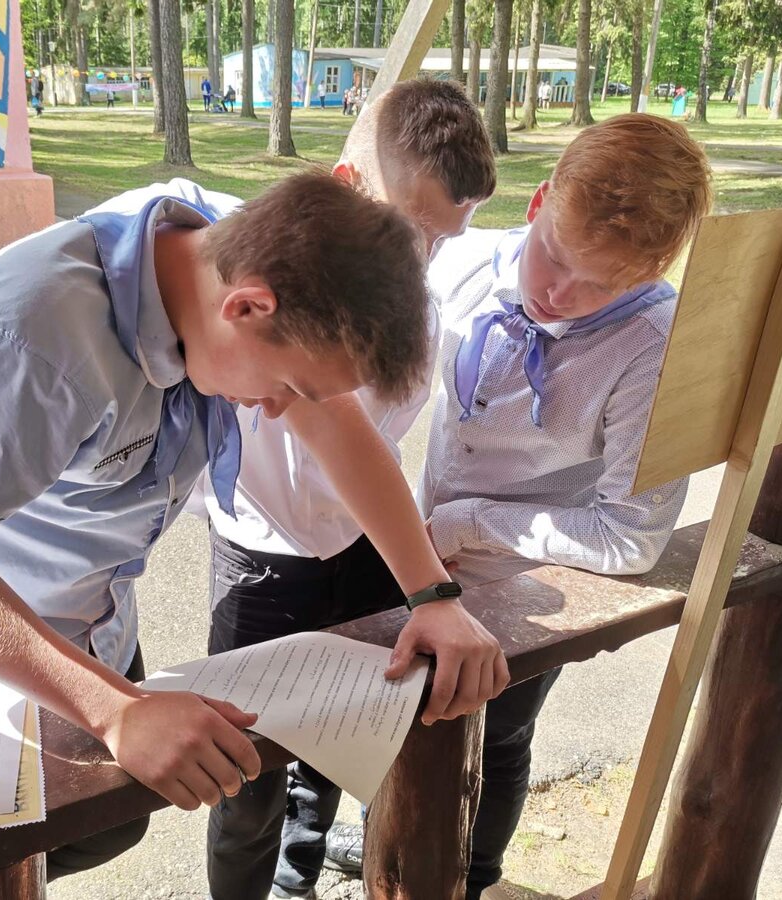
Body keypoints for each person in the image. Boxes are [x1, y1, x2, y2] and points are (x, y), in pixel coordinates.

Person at [0, 172, 436, 882]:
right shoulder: (29, 335)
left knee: (109, 825)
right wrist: (114, 711)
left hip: (98, 621)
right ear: (246, 307)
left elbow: (334, 422)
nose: (278, 411)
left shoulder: (233, 258)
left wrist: (432, 595)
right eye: (288, 386)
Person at [197, 79, 502, 900]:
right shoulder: (252, 297)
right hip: (260, 559)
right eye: (410, 231)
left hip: (368, 550)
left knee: (346, 736)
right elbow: (333, 428)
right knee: (242, 777)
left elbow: (374, 446)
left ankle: (298, 876)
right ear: (345, 187)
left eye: (444, 240)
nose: (422, 261)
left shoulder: (421, 311)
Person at [417, 113, 711, 899]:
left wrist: (470, 522)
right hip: (419, 558)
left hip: (527, 583)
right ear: (539, 200)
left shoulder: (654, 347)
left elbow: (630, 538)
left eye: (600, 285)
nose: (556, 294)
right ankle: (398, 847)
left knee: (499, 736)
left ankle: (475, 879)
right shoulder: (464, 261)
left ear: (652, 270)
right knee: (401, 722)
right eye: (552, 254)